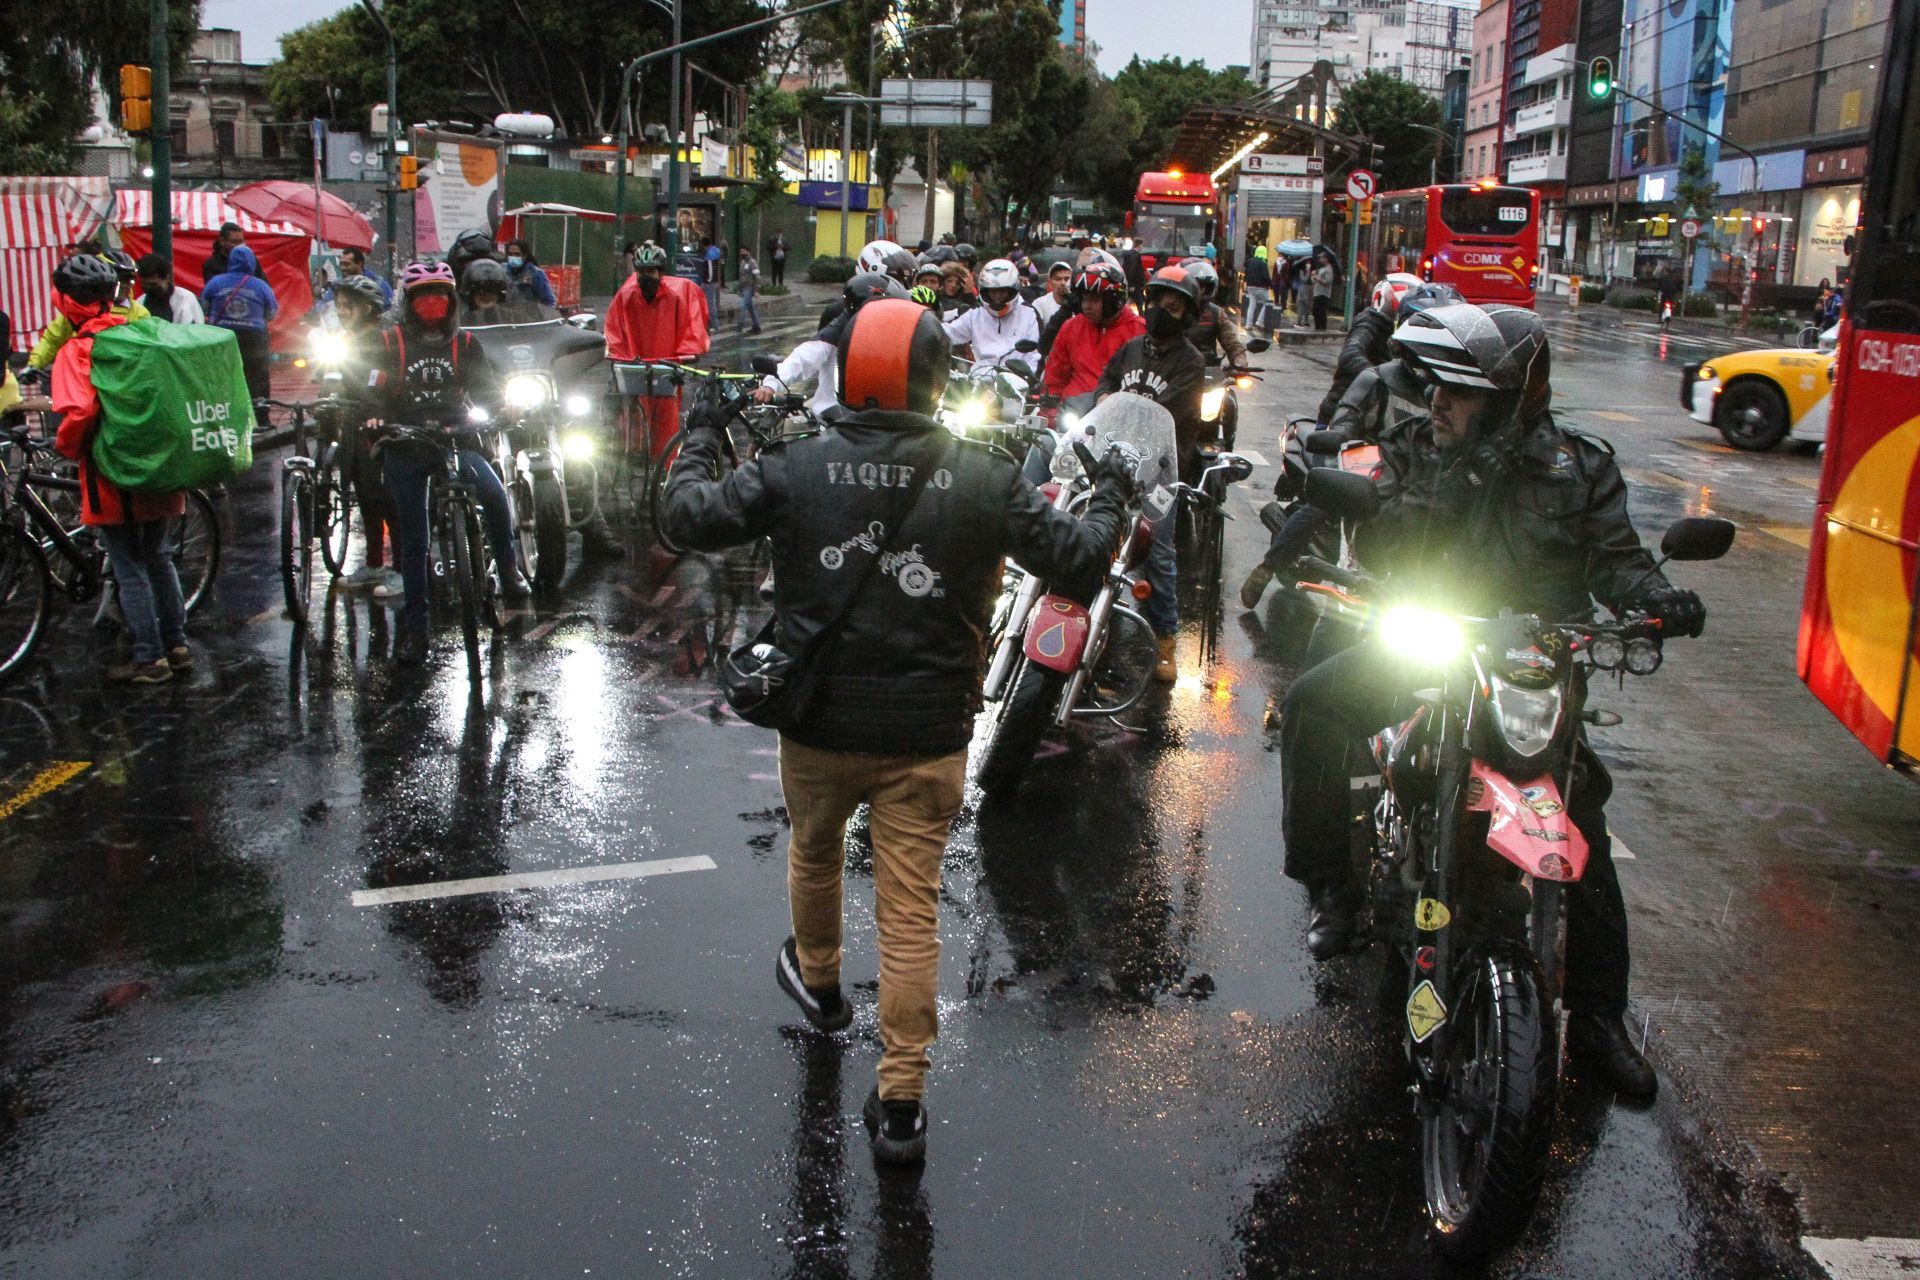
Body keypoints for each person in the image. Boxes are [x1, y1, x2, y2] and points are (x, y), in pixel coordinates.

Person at [661, 297, 1131, 1165]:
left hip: (817, 720)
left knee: (813, 849)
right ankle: (903, 1102)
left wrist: (700, 432)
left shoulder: (796, 463)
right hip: (929, 732)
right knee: (912, 913)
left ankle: (822, 980)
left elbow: (687, 517)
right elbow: (1079, 557)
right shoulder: (987, 473)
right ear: (935, 377)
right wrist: (1113, 489)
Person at [1278, 302, 1706, 1100]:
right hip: (1429, 648)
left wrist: (1659, 597)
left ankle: (1602, 1017)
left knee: (1587, 830)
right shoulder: (1414, 450)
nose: (1438, 402)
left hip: (1532, 668)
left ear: (1509, 400)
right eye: (1437, 387)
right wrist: (1437, 484)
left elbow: (1619, 561)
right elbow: (1382, 534)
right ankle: (1329, 884)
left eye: (1461, 393)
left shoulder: (1579, 468)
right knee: (1310, 705)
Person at [1239, 280, 1462, 609]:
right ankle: (1266, 568)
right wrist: (1346, 439)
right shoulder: (1377, 378)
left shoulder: (1457, 394)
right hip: (1372, 469)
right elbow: (1344, 420)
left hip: (1423, 480)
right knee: (1323, 502)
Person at [372, 261, 531, 663]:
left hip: (457, 440)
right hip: (406, 444)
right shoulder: (389, 343)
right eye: (424, 298)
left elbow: (487, 390)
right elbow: (371, 387)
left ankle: (509, 573)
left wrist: (503, 408)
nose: (432, 305)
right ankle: (416, 626)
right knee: (413, 538)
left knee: (495, 496)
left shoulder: (466, 345)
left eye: (439, 298)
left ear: (452, 302)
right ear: (409, 304)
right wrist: (373, 415)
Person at [46, 253, 191, 684]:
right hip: (160, 467)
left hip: (114, 474)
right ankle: (177, 645)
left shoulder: (78, 350)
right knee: (159, 557)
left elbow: (80, 413)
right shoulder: (141, 332)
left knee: (129, 565)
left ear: (69, 302)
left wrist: (68, 448)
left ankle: (149, 658)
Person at [1093, 264, 1207, 682]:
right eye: (1158, 302)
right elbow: (1106, 381)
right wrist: (1105, 396)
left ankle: (1165, 641)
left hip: (1160, 471)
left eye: (1173, 306)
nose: (1162, 310)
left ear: (1187, 315)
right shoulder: (1130, 348)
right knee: (1091, 536)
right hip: (1113, 459)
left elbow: (1165, 414)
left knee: (1157, 556)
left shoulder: (1192, 363)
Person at [604, 240, 711, 457]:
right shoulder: (627, 294)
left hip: (667, 364)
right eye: (641, 271)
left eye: (650, 271)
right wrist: (617, 353)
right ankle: (631, 454)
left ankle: (667, 465)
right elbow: (614, 327)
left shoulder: (678, 294)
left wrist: (688, 352)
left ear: (660, 272)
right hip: (636, 362)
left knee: (667, 415)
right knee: (631, 412)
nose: (645, 276)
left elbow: (693, 323)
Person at [753, 272, 907, 420]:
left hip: (886, 422)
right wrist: (771, 385)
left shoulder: (899, 340)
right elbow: (804, 357)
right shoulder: (836, 334)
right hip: (834, 422)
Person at [1314, 272, 1424, 426]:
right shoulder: (1369, 324)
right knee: (1327, 446)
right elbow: (1350, 355)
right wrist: (1378, 377)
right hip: (1343, 413)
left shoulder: (1405, 333)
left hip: (1379, 413)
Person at [27, 252, 151, 372]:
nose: (126, 285)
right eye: (121, 280)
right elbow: (52, 340)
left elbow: (147, 352)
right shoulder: (82, 309)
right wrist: (33, 365)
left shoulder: (140, 314)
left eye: (131, 280)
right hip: (78, 375)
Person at [1040, 261, 1142, 402]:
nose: (1086, 306)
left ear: (1112, 300)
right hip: (1073, 413)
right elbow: (1055, 377)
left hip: (1118, 413)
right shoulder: (1071, 327)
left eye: (1094, 299)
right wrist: (1049, 411)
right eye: (1084, 299)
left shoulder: (1139, 330)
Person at [200, 244, 279, 405]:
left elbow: (204, 307)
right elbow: (272, 312)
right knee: (257, 378)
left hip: (222, 338)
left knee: (223, 376)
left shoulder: (215, 283)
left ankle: (224, 412)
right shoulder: (261, 286)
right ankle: (261, 415)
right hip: (254, 339)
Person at [941, 258, 1039, 372]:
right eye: (993, 291)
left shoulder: (1029, 314)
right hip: (980, 380)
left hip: (1017, 381)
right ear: (985, 291)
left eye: (1003, 291)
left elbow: (1036, 355)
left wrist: (1029, 378)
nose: (997, 296)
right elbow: (947, 333)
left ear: (1013, 289)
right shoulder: (976, 314)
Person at [1178, 258, 1250, 371]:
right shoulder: (1172, 309)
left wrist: (1239, 362)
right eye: (1194, 285)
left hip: (1207, 370)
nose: (1198, 290)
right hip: (1175, 372)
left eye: (1202, 286)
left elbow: (1232, 342)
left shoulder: (1216, 313)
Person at [134, 253, 204, 325]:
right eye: (144, 284)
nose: (148, 288)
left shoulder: (185, 299)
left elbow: (194, 331)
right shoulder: (140, 301)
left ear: (167, 278)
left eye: (153, 284)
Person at [325, 247, 395, 312]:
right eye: (341, 264)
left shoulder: (380, 284)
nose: (343, 268)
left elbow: (390, 311)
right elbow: (326, 308)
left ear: (359, 264)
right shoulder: (336, 286)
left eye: (347, 264)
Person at [501, 239, 556, 308]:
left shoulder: (536, 273)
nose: (513, 257)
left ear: (525, 255)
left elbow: (549, 302)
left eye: (517, 254)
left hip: (528, 316)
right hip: (505, 315)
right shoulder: (502, 270)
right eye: (510, 254)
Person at [1031, 260, 1072, 327]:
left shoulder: (1078, 304)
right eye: (1058, 279)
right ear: (1050, 281)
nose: (1063, 283)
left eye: (1067, 279)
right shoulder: (1039, 304)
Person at [1243, 246, 1273, 336]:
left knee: (1252, 305)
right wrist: (1270, 285)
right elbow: (1266, 276)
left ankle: (1248, 324)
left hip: (1250, 286)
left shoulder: (1250, 261)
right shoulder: (1262, 263)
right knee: (1267, 302)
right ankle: (1260, 321)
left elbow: (1246, 272)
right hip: (1260, 287)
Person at [737, 246, 763, 336]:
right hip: (744, 288)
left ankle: (740, 325)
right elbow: (741, 278)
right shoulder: (743, 263)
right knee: (750, 308)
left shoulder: (753, 263)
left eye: (744, 251)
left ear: (748, 252)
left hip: (750, 287)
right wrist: (739, 289)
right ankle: (756, 326)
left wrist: (756, 290)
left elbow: (757, 277)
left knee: (744, 306)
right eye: (741, 251)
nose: (742, 253)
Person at [700, 237, 723, 330]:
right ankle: (710, 323)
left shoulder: (709, 255)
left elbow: (709, 270)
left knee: (710, 303)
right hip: (714, 281)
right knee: (710, 302)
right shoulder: (716, 251)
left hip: (709, 283)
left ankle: (713, 324)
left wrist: (708, 281)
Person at [1310, 253, 1335, 331]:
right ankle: (1318, 326)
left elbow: (1327, 281)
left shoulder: (1329, 269)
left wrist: (1317, 278)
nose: (1320, 260)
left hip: (1323, 294)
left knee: (1321, 311)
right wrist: (1314, 276)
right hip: (1317, 292)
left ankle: (1322, 328)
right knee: (1315, 310)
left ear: (1326, 259)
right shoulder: (1322, 268)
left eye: (1321, 258)